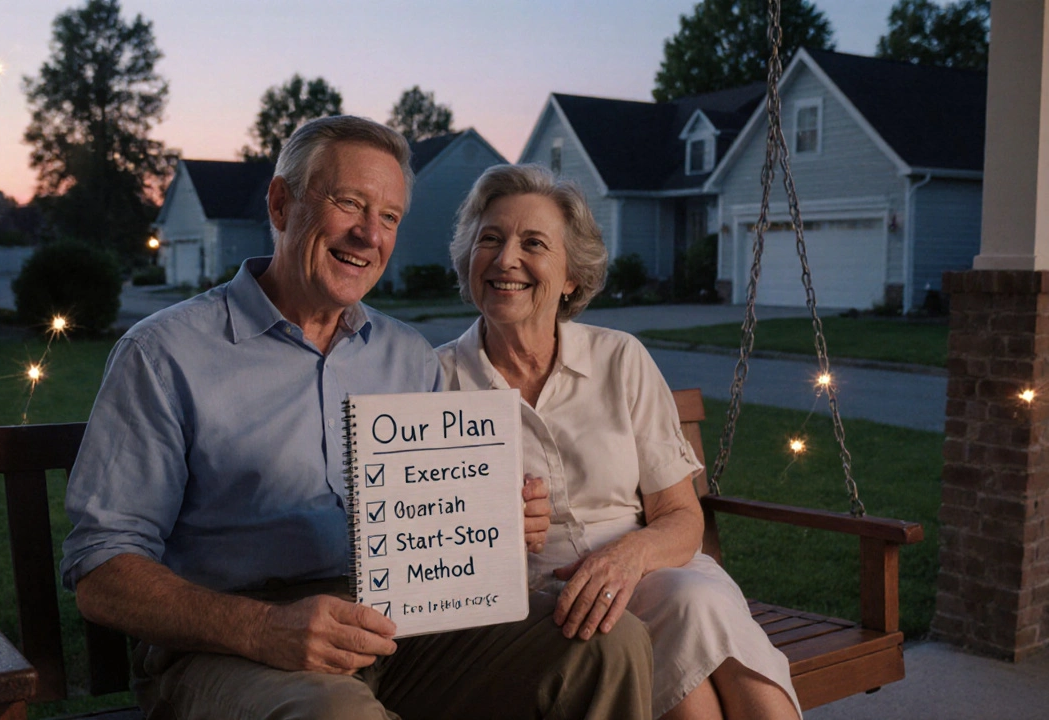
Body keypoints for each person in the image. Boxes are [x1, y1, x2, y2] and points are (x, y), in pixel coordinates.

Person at [60, 117, 654, 720]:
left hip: (401, 624)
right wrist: (263, 628)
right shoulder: (164, 353)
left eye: (389, 217)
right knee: (336, 715)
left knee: (608, 645)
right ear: (280, 203)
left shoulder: (408, 357)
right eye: (349, 203)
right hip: (232, 646)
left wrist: (495, 520)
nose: (370, 234)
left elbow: (434, 517)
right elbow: (101, 568)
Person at [437, 164, 803, 720]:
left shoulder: (620, 358)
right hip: (538, 606)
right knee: (682, 649)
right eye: (490, 239)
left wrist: (627, 559)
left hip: (652, 569)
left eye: (533, 243)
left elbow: (681, 516)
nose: (506, 258)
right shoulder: (436, 380)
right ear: (469, 258)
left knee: (695, 600)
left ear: (570, 277)